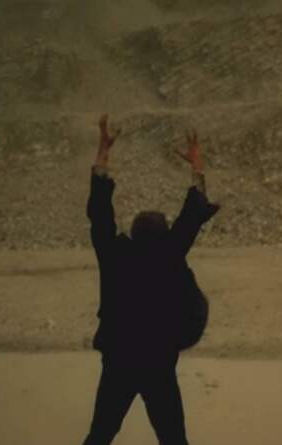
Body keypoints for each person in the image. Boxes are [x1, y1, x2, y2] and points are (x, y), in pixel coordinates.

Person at [83, 114, 220, 445]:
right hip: (158, 364)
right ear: (163, 233)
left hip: (119, 362)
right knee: (174, 439)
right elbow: (193, 214)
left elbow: (100, 212)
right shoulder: (169, 254)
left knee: (100, 435)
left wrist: (103, 151)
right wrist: (196, 165)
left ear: (133, 232)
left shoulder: (115, 255)